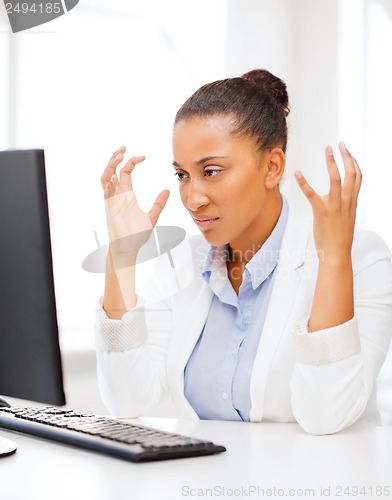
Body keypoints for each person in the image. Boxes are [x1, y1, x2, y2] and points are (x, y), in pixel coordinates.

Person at [95, 69, 392, 435]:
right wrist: (121, 257)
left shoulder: (360, 257)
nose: (192, 198)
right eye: (183, 175)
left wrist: (332, 262)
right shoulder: (184, 262)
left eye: (212, 171)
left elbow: (326, 415)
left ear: (272, 167)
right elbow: (126, 399)